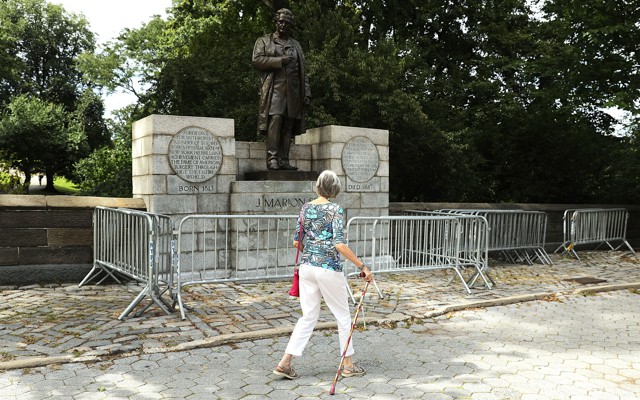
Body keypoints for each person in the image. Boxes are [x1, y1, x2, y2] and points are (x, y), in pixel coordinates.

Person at [273, 170, 374, 380]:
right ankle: (347, 365)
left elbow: (296, 242)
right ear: (334, 189)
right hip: (328, 268)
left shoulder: (306, 208)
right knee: (343, 316)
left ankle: (285, 362)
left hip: (307, 268)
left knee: (308, 316)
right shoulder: (335, 209)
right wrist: (362, 266)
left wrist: (312, 250)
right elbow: (338, 244)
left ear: (318, 186)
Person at [252, 8, 311, 171]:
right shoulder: (264, 41)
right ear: (276, 22)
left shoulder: (296, 45)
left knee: (288, 125)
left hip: (293, 91)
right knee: (276, 120)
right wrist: (280, 61)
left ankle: (284, 160)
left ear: (290, 25)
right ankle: (272, 159)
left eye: (286, 22)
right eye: (280, 21)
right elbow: (257, 60)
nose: (283, 24)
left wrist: (306, 91)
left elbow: (303, 71)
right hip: (274, 89)